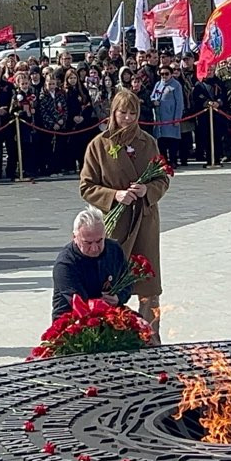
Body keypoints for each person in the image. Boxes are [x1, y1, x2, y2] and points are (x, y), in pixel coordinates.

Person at [79, 90, 169, 341]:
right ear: (113, 113)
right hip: (114, 224)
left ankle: (151, 339)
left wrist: (148, 190)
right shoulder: (99, 145)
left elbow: (162, 178)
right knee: (110, 283)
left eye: (132, 113)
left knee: (148, 284)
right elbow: (86, 186)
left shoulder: (148, 142)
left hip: (145, 222)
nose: (128, 118)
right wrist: (114, 195)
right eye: (123, 112)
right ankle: (111, 338)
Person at [52, 207, 131, 319]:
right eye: (88, 243)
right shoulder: (65, 264)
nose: (94, 248)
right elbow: (80, 303)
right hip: (74, 318)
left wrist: (118, 298)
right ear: (75, 237)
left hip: (110, 313)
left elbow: (127, 281)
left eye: (99, 241)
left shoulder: (114, 249)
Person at [151, 66, 186, 167]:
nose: (164, 76)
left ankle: (173, 161)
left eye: (166, 74)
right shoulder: (158, 84)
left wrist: (177, 118)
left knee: (172, 141)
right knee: (161, 141)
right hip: (160, 118)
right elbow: (152, 96)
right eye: (162, 74)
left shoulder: (176, 85)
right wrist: (154, 101)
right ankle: (164, 162)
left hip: (171, 118)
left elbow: (180, 103)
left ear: (171, 74)